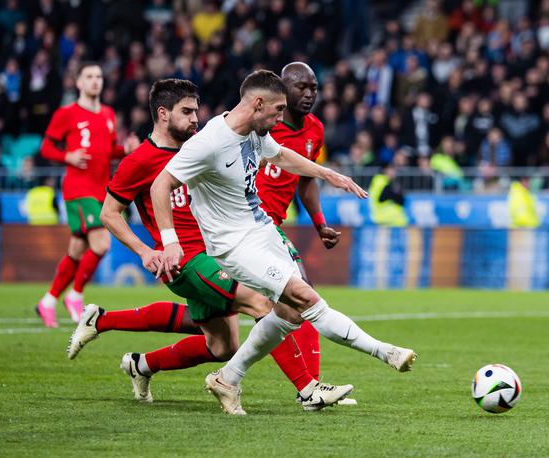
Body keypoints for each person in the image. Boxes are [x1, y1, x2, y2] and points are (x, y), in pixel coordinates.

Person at [68, 79, 353, 411]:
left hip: (219, 250)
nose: (195, 119)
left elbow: (274, 155)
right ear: (162, 114)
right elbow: (110, 214)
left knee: (222, 346)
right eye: (186, 112)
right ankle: (308, 389)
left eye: (196, 111)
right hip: (187, 259)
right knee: (264, 302)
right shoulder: (141, 160)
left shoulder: (206, 144)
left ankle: (135, 357)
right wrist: (147, 250)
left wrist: (325, 174)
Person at [152, 70, 416, 415]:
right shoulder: (211, 141)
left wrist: (328, 174)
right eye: (277, 111)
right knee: (305, 297)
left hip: (262, 230)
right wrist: (170, 240)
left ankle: (228, 379)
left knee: (289, 313)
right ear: (257, 104)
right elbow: (161, 184)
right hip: (233, 245)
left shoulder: (255, 131)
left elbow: (281, 156)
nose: (281, 118)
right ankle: (386, 352)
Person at [256, 62, 350, 402]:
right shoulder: (264, 125)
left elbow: (306, 180)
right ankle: (310, 388)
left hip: (272, 226)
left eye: (314, 88)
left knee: (215, 336)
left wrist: (319, 222)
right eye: (302, 88)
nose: (310, 94)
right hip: (248, 225)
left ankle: (140, 362)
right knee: (298, 296)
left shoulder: (315, 130)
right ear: (283, 90)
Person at [34, 61, 139, 327]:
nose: (95, 81)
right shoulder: (67, 113)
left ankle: (47, 302)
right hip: (79, 189)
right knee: (102, 243)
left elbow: (108, 149)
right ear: (78, 82)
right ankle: (76, 295)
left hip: (100, 188)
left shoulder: (107, 114)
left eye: (99, 76)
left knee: (77, 251)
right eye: (89, 76)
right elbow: (46, 147)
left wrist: (125, 150)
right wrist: (66, 155)